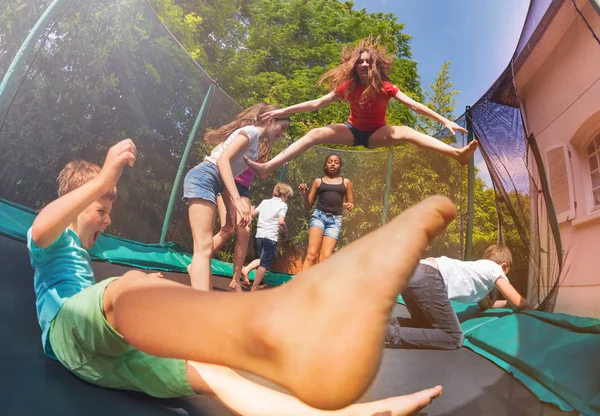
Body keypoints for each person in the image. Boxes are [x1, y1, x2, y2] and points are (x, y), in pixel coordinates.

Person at [28, 138, 457, 413]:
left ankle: (343, 412)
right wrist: (104, 177)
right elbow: (41, 227)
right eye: (102, 210)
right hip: (70, 326)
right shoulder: (51, 242)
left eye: (107, 211)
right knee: (129, 287)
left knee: (214, 373)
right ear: (73, 201)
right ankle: (262, 320)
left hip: (92, 362)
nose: (106, 220)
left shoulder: (85, 253)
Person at [244, 36, 478, 179]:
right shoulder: (349, 86)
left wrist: (445, 120)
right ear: (355, 66)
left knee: (407, 131)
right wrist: (285, 111)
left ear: (374, 65)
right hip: (352, 130)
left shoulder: (386, 87)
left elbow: (415, 106)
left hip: (377, 133)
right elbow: (317, 103)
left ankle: (457, 155)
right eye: (360, 61)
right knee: (314, 134)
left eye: (368, 61)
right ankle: (267, 168)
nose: (364, 64)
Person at [184, 103, 290, 291]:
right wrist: (238, 201)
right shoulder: (251, 132)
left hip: (213, 182)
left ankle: (204, 300)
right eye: (282, 128)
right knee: (203, 247)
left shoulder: (256, 146)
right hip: (204, 177)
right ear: (271, 119)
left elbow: (228, 176)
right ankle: (200, 304)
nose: (282, 133)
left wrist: (232, 208)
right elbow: (221, 160)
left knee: (206, 247)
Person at [386, 245, 535, 350]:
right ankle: (385, 334)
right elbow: (519, 302)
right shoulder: (494, 269)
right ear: (503, 267)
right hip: (428, 276)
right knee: (454, 338)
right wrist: (533, 308)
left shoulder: (479, 271)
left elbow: (487, 305)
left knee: (422, 325)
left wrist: (506, 304)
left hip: (414, 271)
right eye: (505, 272)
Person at [298, 153, 353, 269]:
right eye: (330, 161)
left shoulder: (346, 182)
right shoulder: (318, 181)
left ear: (340, 166)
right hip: (319, 217)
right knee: (312, 255)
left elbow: (351, 203)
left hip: (335, 221)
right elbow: (308, 205)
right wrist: (304, 194)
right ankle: (300, 285)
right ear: (325, 165)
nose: (333, 164)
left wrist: (350, 206)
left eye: (336, 162)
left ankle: (318, 286)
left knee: (325, 258)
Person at [241, 182, 293, 291]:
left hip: (259, 235)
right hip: (270, 237)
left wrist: (250, 209)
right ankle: (254, 288)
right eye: (287, 197)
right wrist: (285, 231)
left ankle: (246, 270)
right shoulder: (283, 205)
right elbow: (281, 222)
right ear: (284, 195)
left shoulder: (265, 202)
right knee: (264, 264)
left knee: (262, 259)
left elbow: (252, 214)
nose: (287, 200)